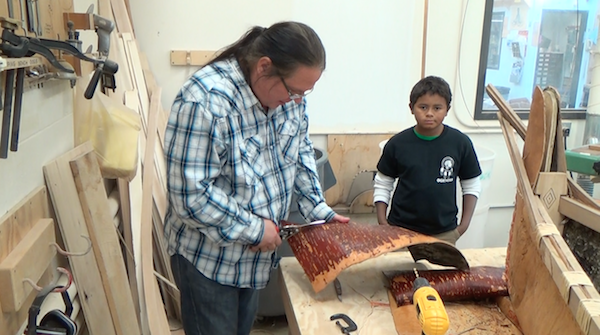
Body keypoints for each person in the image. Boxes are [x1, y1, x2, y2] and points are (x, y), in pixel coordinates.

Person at [163, 21, 350, 335]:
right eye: (293, 91)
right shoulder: (206, 100)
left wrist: (317, 210)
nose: (298, 101)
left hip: (254, 260)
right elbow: (190, 196)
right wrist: (253, 229)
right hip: (208, 262)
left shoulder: (290, 99)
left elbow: (300, 149)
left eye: (305, 93)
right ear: (264, 67)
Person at [373, 76, 481, 245]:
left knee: (440, 272)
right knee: (399, 271)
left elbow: (471, 184)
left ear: (447, 109)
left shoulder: (460, 143)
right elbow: (383, 183)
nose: (429, 113)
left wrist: (462, 227)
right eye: (423, 107)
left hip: (444, 233)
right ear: (411, 108)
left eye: (437, 107)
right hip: (399, 232)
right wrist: (383, 223)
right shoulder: (397, 144)